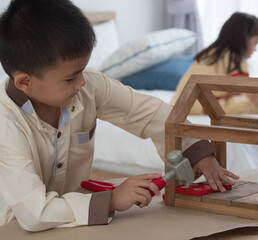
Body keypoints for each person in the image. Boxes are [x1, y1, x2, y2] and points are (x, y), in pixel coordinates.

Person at [0, 0, 239, 231]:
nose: (82, 82)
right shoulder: (5, 125)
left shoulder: (89, 86)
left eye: (83, 71)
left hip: (76, 225)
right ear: (25, 82)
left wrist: (196, 150)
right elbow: (34, 213)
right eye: (70, 78)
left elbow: (150, 113)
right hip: (14, 228)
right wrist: (112, 199)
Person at [171, 12, 258, 115]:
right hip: (208, 106)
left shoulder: (209, 53)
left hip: (181, 103)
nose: (255, 49)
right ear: (244, 39)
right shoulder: (233, 56)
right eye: (256, 42)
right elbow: (251, 93)